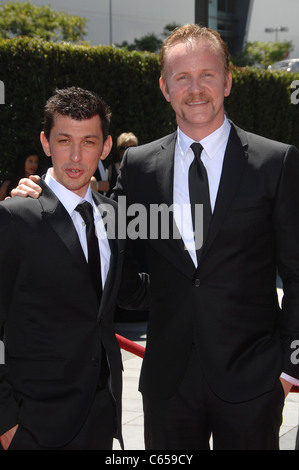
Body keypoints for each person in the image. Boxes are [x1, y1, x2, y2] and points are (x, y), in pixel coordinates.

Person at [11, 25, 299, 450]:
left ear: (228, 80)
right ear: (165, 87)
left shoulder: (275, 162)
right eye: (182, 77)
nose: (196, 88)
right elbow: (115, 258)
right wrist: (43, 197)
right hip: (168, 385)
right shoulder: (140, 167)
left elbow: (296, 273)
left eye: (207, 74)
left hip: (254, 381)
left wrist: (288, 367)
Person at [0, 87, 149, 450]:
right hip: (35, 421)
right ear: (45, 143)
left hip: (101, 414)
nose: (76, 155)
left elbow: (128, 291)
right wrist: (6, 423)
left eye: (89, 141)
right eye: (64, 140)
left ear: (106, 146)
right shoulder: (16, 215)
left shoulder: (113, 215)